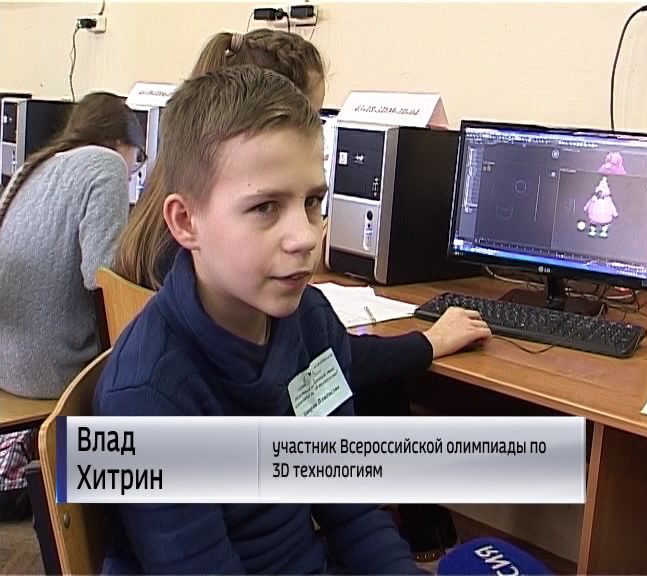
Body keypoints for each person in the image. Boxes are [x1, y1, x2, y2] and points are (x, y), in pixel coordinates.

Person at [112, 30, 492, 560]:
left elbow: (354, 512)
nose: (306, 237)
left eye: (313, 202)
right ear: (186, 221)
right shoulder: (148, 397)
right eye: (265, 207)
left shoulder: (308, 319)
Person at [0, 92, 145, 520]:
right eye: (138, 159)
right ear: (122, 142)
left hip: (9, 365)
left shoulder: (33, 166)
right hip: (53, 370)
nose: (135, 170)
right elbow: (101, 277)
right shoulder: (106, 164)